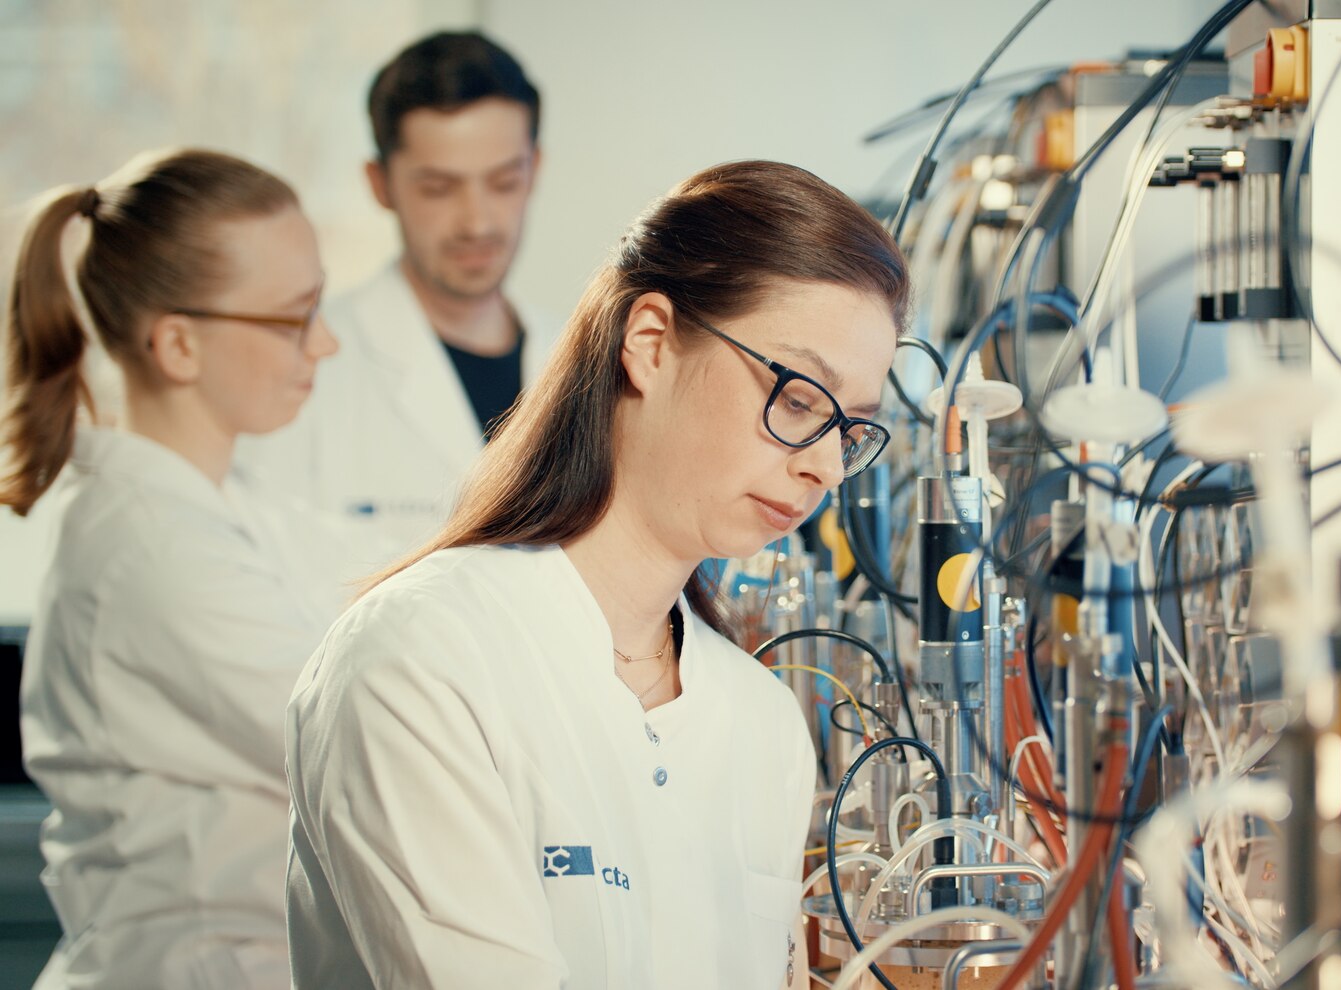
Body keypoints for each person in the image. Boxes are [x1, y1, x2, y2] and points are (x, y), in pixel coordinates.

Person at [284, 160, 907, 989]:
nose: (827, 467)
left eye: (851, 429)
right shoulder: (418, 661)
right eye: (799, 400)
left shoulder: (759, 722)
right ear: (650, 344)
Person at [0, 149, 344, 988]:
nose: (325, 343)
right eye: (292, 318)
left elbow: (399, 595)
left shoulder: (228, 509)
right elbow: (356, 737)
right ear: (179, 344)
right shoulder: (151, 550)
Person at [239, 30, 556, 554]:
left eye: (503, 182)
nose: (477, 222)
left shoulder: (588, 367)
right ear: (379, 183)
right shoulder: (304, 373)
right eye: (438, 188)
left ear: (534, 169)